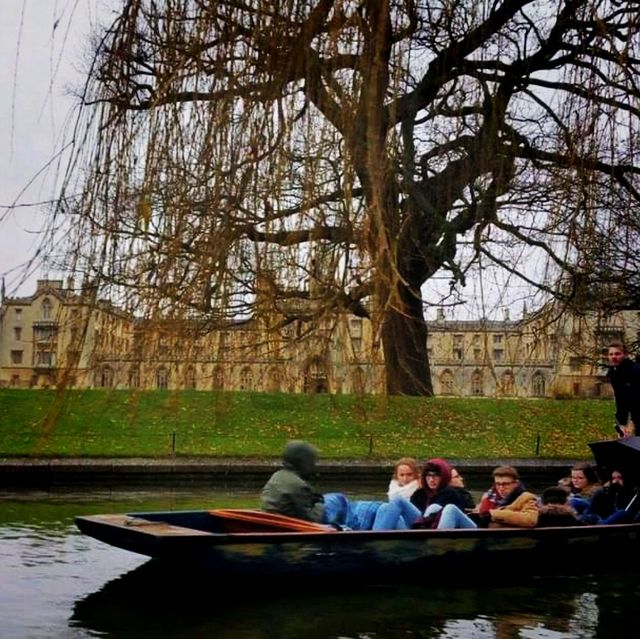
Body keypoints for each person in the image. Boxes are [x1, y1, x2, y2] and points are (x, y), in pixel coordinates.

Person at [373, 458, 468, 530]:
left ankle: (375, 540)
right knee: (385, 507)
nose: (431, 480)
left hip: (436, 529)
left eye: (436, 476)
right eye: (428, 476)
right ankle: (374, 539)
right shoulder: (419, 494)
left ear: (443, 477)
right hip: (419, 527)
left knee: (398, 500)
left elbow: (458, 514)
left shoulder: (451, 493)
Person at [260, 440, 325, 522]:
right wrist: (320, 504)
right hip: (290, 524)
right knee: (339, 500)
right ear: (303, 462)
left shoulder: (277, 475)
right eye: (312, 461)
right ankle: (344, 530)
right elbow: (312, 519)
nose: (314, 465)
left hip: (274, 520)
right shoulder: (299, 486)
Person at [468, 465, 539, 528]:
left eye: (505, 484)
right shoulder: (489, 497)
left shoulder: (527, 497)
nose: (501, 488)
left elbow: (530, 519)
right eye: (498, 484)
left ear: (516, 484)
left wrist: (494, 514)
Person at [606, 341, 640, 437]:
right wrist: (622, 424)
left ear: (625, 355)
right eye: (611, 354)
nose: (613, 357)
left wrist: (633, 422)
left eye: (617, 354)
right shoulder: (614, 374)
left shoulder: (635, 371)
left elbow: (637, 399)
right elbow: (621, 400)